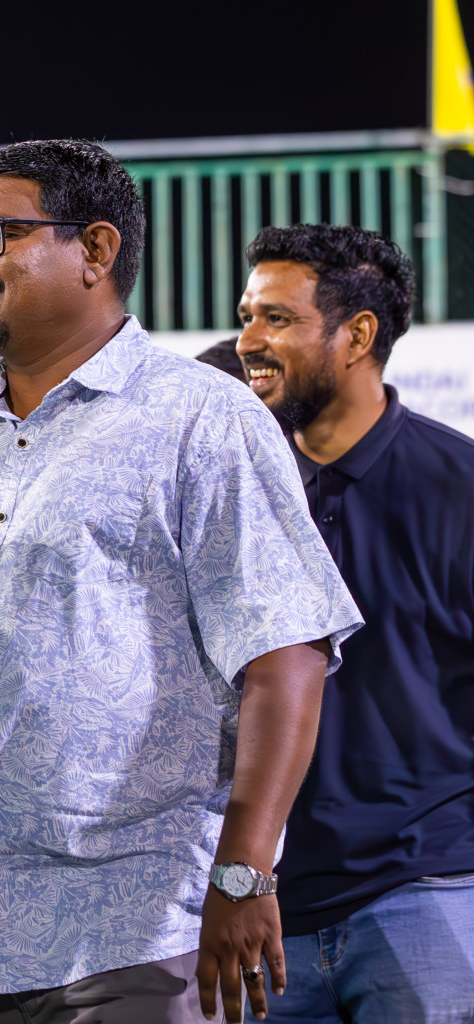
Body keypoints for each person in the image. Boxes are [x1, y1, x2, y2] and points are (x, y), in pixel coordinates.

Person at [0, 139, 363, 1024]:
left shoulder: (200, 418)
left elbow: (287, 653)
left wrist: (244, 872)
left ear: (96, 250)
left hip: (135, 936)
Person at [235, 225, 474, 1022]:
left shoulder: (460, 487)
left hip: (430, 895)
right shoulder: (231, 491)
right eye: (247, 317)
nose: (249, 341)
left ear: (358, 336)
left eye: (276, 319)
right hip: (259, 910)